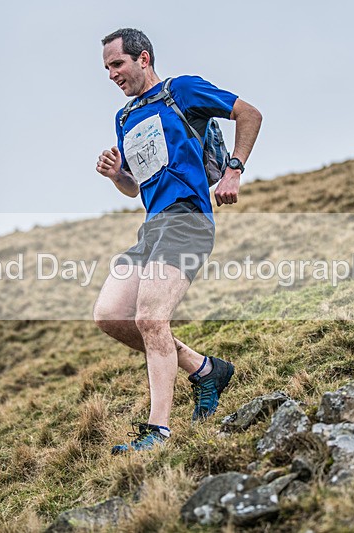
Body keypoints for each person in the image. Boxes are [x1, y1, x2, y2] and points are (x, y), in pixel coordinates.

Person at [93, 28, 262, 454]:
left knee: (151, 319)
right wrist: (117, 176)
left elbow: (250, 114)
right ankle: (205, 370)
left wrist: (234, 170)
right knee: (110, 315)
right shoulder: (124, 118)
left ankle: (158, 432)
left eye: (118, 64)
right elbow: (136, 187)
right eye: (107, 68)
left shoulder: (181, 90)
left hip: (188, 220)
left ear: (143, 59)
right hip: (151, 228)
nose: (113, 74)